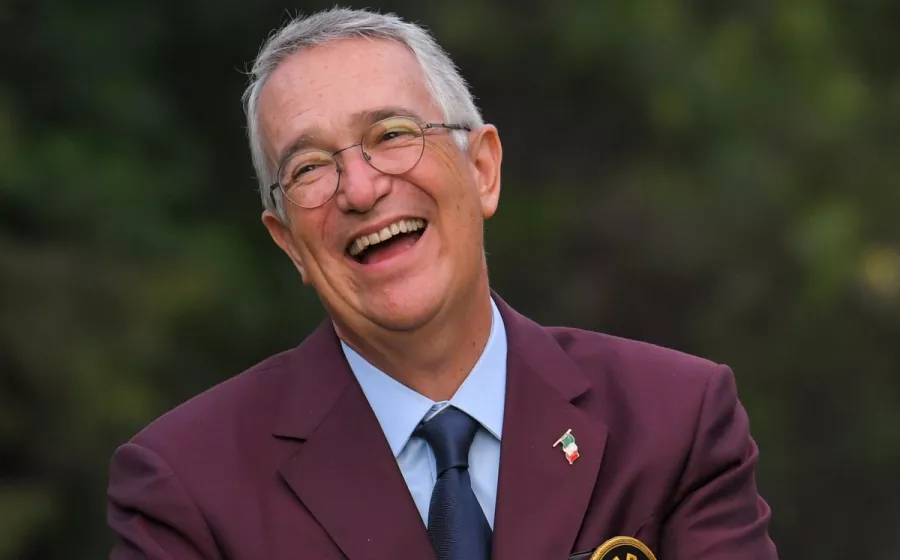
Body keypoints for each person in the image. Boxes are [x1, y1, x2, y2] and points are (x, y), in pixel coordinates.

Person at [107, 8, 778, 560]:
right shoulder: (189, 487)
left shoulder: (672, 422)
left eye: (392, 133)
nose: (361, 189)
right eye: (309, 167)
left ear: (483, 170)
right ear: (288, 243)